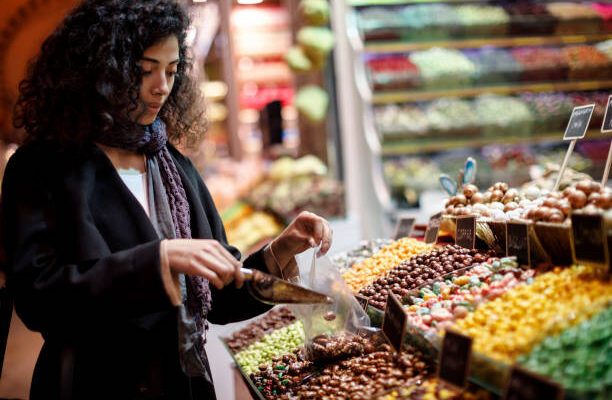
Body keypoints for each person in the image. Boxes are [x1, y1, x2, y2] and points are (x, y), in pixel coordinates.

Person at [3, 1, 333, 399]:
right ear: (99, 69)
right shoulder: (41, 167)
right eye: (145, 70)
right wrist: (156, 262)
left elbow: (219, 297)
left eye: (173, 70)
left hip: (182, 385)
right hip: (94, 386)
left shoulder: (173, 166)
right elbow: (38, 298)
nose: (161, 85)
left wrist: (279, 252)